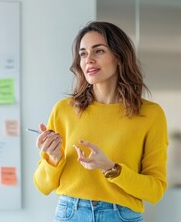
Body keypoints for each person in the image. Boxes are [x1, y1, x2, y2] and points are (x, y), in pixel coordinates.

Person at [33, 21, 168, 222]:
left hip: (121, 215)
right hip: (71, 213)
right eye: (83, 53)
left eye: (99, 51)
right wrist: (53, 158)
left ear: (119, 57)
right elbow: (42, 185)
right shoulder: (64, 110)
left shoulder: (150, 115)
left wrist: (112, 169)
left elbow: (155, 191)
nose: (89, 60)